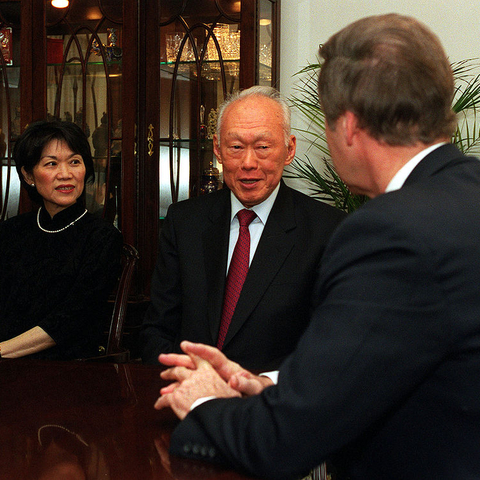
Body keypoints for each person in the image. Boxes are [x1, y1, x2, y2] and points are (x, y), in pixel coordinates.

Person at [154, 14, 480, 480]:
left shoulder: (389, 232)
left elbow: (284, 441)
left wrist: (203, 400)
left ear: (347, 126)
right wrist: (267, 384)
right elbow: (392, 355)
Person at [140, 86, 346, 370]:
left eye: (263, 147)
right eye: (236, 147)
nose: (248, 163)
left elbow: (330, 346)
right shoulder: (184, 222)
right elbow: (157, 330)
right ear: (217, 149)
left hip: (273, 404)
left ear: (289, 150)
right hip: (190, 397)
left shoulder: (327, 230)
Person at [0, 120, 122, 360]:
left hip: (67, 370)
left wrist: (2, 350)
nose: (65, 174)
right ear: (28, 175)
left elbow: (71, 319)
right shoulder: (11, 232)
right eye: (51, 164)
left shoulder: (102, 238)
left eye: (75, 162)